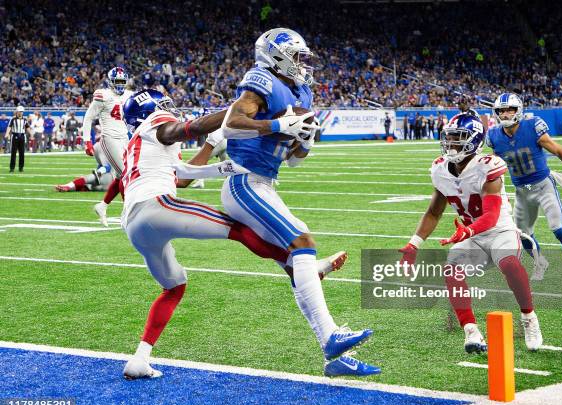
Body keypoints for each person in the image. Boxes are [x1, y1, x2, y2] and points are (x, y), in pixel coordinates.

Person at [120, 89, 348, 379]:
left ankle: (139, 359)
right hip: (157, 206)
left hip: (133, 224)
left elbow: (184, 178)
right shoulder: (155, 125)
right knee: (239, 229)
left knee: (174, 287)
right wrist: (235, 113)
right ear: (149, 111)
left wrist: (212, 145)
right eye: (162, 105)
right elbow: (188, 129)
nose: (169, 109)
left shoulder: (137, 144)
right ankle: (301, 266)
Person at [220, 28, 380, 377]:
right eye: (297, 56)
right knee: (302, 242)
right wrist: (279, 123)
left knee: (298, 256)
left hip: (266, 183)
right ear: (276, 54)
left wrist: (304, 140)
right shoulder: (260, 79)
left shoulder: (301, 90)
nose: (303, 64)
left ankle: (332, 356)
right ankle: (333, 336)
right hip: (243, 181)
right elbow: (232, 124)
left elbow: (293, 160)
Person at [399, 112, 543, 353]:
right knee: (451, 269)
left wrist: (466, 232)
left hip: (500, 230)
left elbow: (491, 215)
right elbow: (434, 212)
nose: (451, 143)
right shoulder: (440, 169)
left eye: (458, 138)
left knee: (509, 263)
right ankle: (471, 332)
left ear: (474, 140)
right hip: (472, 235)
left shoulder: (488, 166)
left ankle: (529, 318)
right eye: (449, 137)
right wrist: (414, 244)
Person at [487, 93, 562, 290]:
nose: (505, 114)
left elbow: (559, 150)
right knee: (523, 235)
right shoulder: (494, 136)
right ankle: (540, 261)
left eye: (509, 109)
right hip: (522, 190)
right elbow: (495, 166)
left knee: (559, 230)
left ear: (518, 110)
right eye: (501, 110)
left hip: (543, 184)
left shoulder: (532, 126)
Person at [82, 67, 133, 227]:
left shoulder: (130, 95)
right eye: (117, 82)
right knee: (126, 174)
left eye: (122, 82)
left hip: (124, 137)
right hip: (109, 138)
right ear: (111, 82)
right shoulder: (103, 95)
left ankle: (102, 206)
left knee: (120, 176)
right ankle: (129, 213)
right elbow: (88, 118)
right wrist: (87, 141)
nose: (120, 85)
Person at [6, 106, 30, 172]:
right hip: (15, 136)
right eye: (20, 111)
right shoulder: (13, 119)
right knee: (13, 153)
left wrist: (31, 134)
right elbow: (9, 127)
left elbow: (27, 127)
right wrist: (7, 134)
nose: (21, 113)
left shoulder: (25, 120)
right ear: (17, 111)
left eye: (22, 112)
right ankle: (12, 168)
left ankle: (21, 168)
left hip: (22, 136)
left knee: (22, 153)